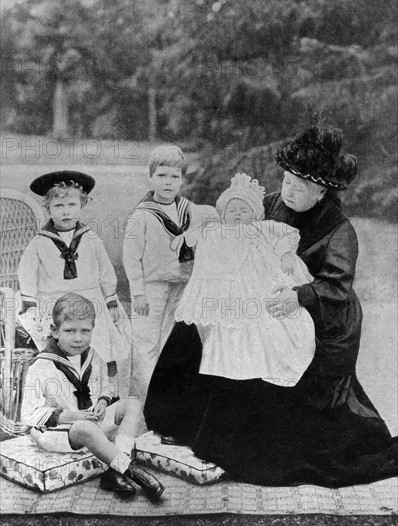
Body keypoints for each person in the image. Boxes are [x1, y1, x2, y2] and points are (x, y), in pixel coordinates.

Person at [144, 120, 398, 487]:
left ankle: (246, 441)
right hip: (262, 297)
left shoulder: (340, 231)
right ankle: (175, 419)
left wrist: (298, 296)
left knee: (274, 353)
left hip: (321, 313)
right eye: (287, 182)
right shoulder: (271, 205)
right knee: (199, 325)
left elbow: (336, 287)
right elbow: (237, 228)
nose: (290, 191)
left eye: (302, 186)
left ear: (323, 192)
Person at [174, 173, 315, 385]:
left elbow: (285, 235)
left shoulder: (259, 228)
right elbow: (193, 242)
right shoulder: (217, 232)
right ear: (223, 213)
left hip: (256, 285)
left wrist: (285, 254)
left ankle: (257, 366)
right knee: (226, 328)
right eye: (232, 210)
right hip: (227, 292)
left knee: (258, 324)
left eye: (244, 210)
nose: (237, 215)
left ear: (255, 213)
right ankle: (223, 368)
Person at [21, 293, 164, 499]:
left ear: (92, 330)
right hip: (57, 431)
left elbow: (106, 387)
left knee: (132, 404)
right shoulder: (41, 366)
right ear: (54, 331)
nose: (78, 338)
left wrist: (104, 402)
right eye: (70, 331)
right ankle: (133, 472)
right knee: (84, 427)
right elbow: (29, 414)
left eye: (85, 331)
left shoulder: (93, 355)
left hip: (91, 421)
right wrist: (71, 416)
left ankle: (114, 472)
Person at [17, 170, 131, 397]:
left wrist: (110, 301)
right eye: (59, 206)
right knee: (65, 349)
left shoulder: (90, 238)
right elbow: (27, 273)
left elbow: (105, 271)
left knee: (104, 348)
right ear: (47, 208)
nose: (66, 211)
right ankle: (67, 396)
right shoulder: (40, 242)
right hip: (55, 302)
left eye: (72, 204)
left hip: (92, 300)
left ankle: (110, 394)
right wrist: (31, 305)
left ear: (82, 204)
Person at [123, 145, 211, 403]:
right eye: (161, 176)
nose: (168, 182)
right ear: (151, 178)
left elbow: (208, 233)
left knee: (172, 342)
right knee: (145, 342)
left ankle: (168, 401)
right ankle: (142, 402)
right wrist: (137, 292)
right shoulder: (141, 215)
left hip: (182, 284)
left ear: (182, 179)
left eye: (174, 177)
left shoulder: (190, 210)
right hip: (151, 287)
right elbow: (131, 258)